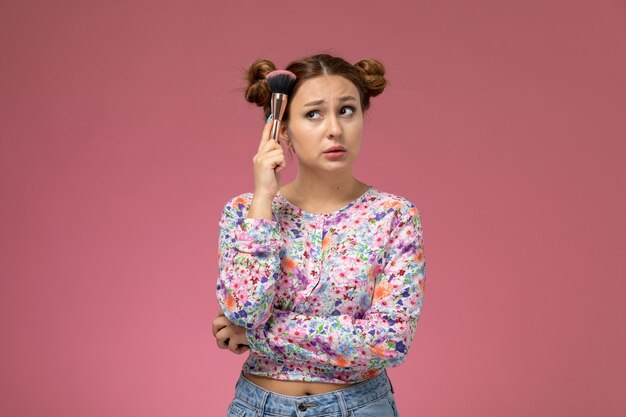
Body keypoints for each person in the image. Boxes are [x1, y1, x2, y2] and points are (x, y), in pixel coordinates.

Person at [212, 53, 426, 417]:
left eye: (347, 110)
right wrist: (264, 198)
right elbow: (244, 312)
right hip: (258, 406)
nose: (335, 129)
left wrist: (260, 336)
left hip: (359, 407)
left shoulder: (394, 216)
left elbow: (389, 342)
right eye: (313, 114)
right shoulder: (245, 212)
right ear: (281, 129)